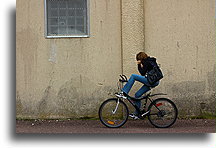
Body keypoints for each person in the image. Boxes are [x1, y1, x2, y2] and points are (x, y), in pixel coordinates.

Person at [116, 52, 160, 119]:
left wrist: (139, 65)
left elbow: (142, 73)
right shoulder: (149, 61)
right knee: (137, 95)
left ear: (141, 58)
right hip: (153, 81)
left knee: (133, 76)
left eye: (138, 60)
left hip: (151, 81)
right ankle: (137, 114)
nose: (137, 61)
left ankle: (124, 92)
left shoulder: (146, 62)